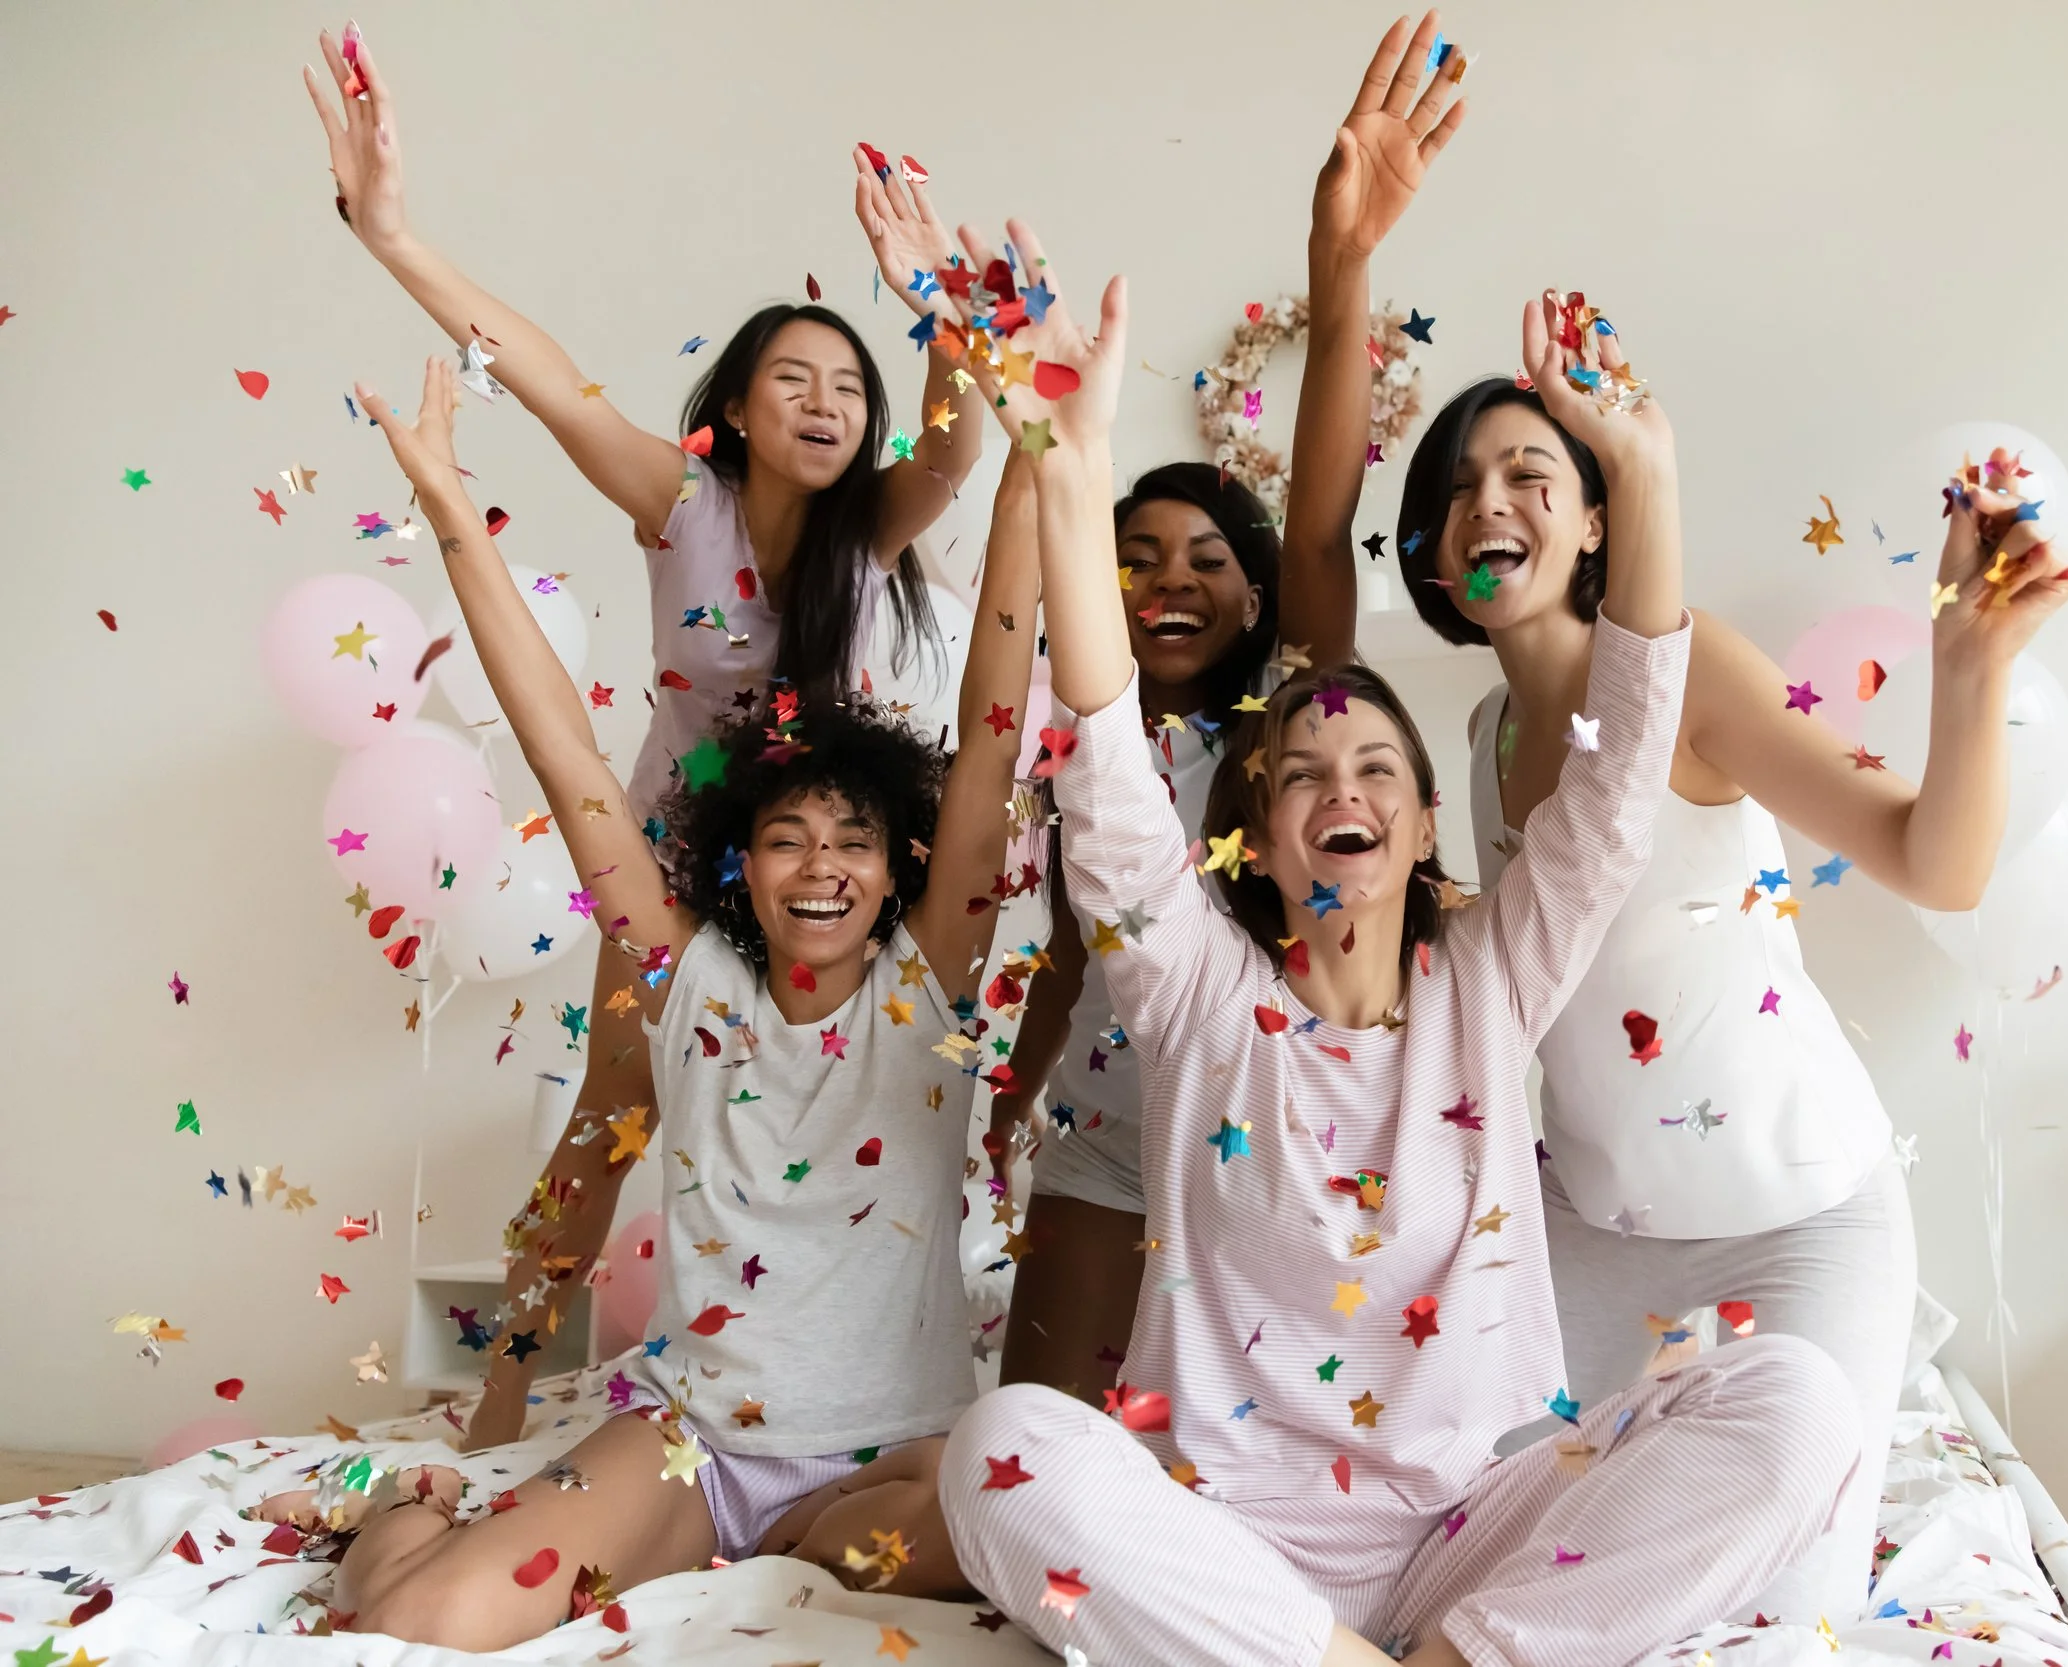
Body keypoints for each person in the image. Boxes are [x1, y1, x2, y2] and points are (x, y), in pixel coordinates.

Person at [926, 183, 1859, 1662]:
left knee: (1800, 1396)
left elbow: (1619, 768)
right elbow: (1102, 770)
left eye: (1376, 767)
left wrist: (1647, 471)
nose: (1338, 788)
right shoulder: (1194, 993)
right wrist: (1063, 450)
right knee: (1007, 1444)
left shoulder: (1495, 974)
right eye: (1297, 774)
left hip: (1473, 1532)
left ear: (1427, 828)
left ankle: (1463, 1650)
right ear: (1250, 831)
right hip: (1240, 1547)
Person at [248, 336, 1040, 1648]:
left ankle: (787, 1539)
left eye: (853, 839)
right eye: (788, 838)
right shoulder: (688, 979)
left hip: (875, 1465)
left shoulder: (927, 979)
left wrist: (1034, 459)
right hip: (694, 1451)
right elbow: (561, 748)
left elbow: (998, 719)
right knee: (414, 1615)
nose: (824, 868)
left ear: (899, 862)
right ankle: (408, 1506)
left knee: (1023, 1536)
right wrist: (453, 508)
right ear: (740, 858)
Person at [304, 21, 986, 1449]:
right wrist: (393, 237)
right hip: (673, 852)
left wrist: (937, 313)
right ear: (734, 408)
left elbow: (960, 445)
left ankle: (829, 1384)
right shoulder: (684, 505)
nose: (824, 401)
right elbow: (547, 374)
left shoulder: (879, 523)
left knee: (855, 1099)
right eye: (792, 378)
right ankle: (500, 1394)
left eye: (847, 386)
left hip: (828, 865)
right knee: (614, 1107)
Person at [1390, 367, 2068, 1619]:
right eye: (1457, 488)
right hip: (1594, 1233)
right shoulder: (1488, 731)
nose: (1487, 500)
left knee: (1766, 1613)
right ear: (1436, 552)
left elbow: (1939, 862)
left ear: (1598, 520)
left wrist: (1965, 663)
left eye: (1526, 473)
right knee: (1497, 1563)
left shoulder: (1687, 668)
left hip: (1801, 1219)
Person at [985, 7, 1465, 1409]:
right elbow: (1080, 948)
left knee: (1226, 1453)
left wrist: (1343, 260)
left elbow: (1319, 529)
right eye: (1135, 562)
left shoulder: (1286, 726)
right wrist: (1011, 1091)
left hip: (1275, 1130)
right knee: (1044, 1443)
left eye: (1208, 562)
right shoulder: (1090, 739)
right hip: (1107, 1128)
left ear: (1255, 601)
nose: (1172, 584)